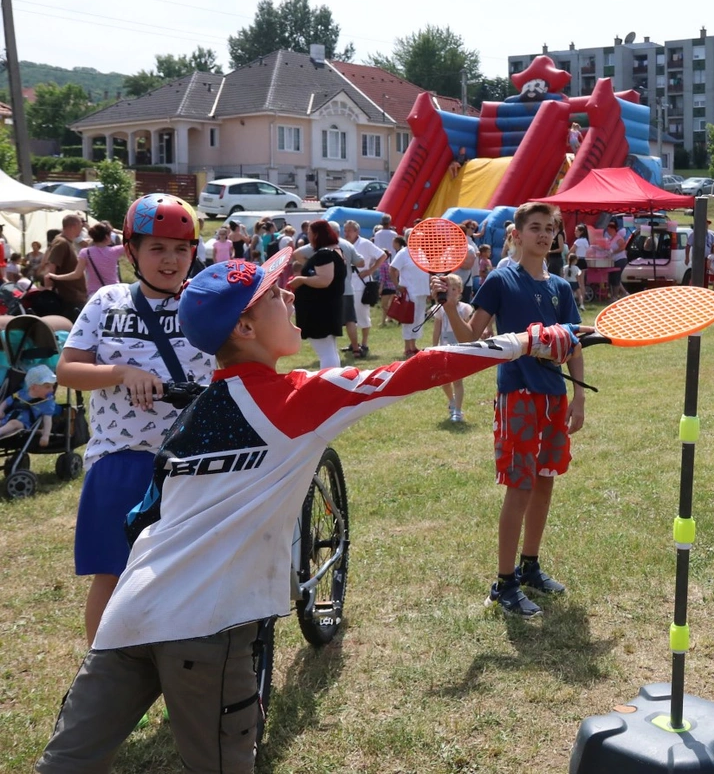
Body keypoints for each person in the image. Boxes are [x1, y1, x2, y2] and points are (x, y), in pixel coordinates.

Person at [35, 251, 577, 774]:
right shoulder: (294, 399)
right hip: (209, 626)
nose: (290, 296)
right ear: (244, 329)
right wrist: (526, 339)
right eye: (274, 295)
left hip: (128, 613)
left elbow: (143, 516)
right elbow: (419, 369)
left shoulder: (193, 416)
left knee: (66, 764)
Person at [56, 194, 212, 646]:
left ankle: (181, 675)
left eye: (181, 249)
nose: (171, 260)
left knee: (187, 576)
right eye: (158, 248)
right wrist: (122, 373)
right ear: (132, 252)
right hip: (121, 459)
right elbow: (69, 369)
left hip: (192, 465)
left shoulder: (205, 305)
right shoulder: (108, 301)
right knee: (111, 573)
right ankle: (100, 681)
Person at [439, 201, 586, 618]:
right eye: (535, 228)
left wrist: (578, 397)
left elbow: (572, 342)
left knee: (544, 482)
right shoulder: (502, 279)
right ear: (516, 234)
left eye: (550, 229)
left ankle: (530, 567)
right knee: (519, 486)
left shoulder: (559, 286)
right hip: (517, 396)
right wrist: (451, 303)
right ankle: (504, 583)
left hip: (553, 396)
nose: (543, 235)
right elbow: (472, 335)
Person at [288, 220, 347, 369]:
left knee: (326, 352)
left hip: (320, 310)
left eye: (309, 233)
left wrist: (301, 279)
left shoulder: (325, 254)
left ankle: (329, 383)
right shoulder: (334, 251)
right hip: (327, 307)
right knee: (329, 350)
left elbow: (324, 280)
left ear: (316, 235)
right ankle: (334, 381)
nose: (308, 236)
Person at [430, 274, 476, 422]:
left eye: (454, 289)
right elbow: (437, 329)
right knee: (444, 380)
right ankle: (452, 400)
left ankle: (457, 410)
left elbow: (470, 330)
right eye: (448, 288)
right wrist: (434, 346)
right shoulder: (440, 309)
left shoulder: (465, 309)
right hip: (445, 347)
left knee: (457, 380)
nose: (451, 291)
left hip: (460, 348)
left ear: (460, 291)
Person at [342, 219, 386, 359]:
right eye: (345, 230)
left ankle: (364, 344)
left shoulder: (365, 244)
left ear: (356, 231)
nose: (346, 233)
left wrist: (370, 270)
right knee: (350, 316)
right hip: (348, 284)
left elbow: (382, 255)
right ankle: (353, 343)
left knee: (362, 315)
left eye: (349, 230)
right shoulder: (344, 245)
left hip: (362, 284)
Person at [44, 222, 124, 298]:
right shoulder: (115, 251)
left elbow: (76, 274)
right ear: (107, 237)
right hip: (114, 291)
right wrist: (119, 232)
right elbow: (132, 242)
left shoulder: (86, 252)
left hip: (95, 294)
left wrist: (56, 277)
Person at [389, 233, 430, 358]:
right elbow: (392, 269)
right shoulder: (403, 253)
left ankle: (413, 345)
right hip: (410, 291)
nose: (418, 240)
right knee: (409, 319)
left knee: (418, 319)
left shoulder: (421, 252)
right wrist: (397, 285)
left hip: (422, 291)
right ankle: (407, 347)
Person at [0, 364, 59, 446]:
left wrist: (46, 436)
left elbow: (47, 420)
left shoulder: (47, 403)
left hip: (23, 426)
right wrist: (1, 409)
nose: (52, 390)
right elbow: (7, 401)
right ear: (34, 387)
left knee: (14, 423)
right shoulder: (21, 394)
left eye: (52, 386)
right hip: (6, 419)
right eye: (48, 387)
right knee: (9, 423)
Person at [44, 213, 88, 319]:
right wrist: (48, 290)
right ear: (72, 226)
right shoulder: (61, 243)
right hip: (69, 297)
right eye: (80, 227)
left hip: (75, 295)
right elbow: (51, 268)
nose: (81, 230)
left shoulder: (68, 242)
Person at [603, 218, 629, 300]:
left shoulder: (618, 238)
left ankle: (615, 296)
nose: (608, 231)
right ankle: (624, 293)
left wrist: (614, 252)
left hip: (620, 260)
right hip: (615, 260)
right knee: (614, 278)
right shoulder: (611, 239)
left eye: (609, 229)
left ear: (613, 229)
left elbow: (623, 247)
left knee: (616, 278)